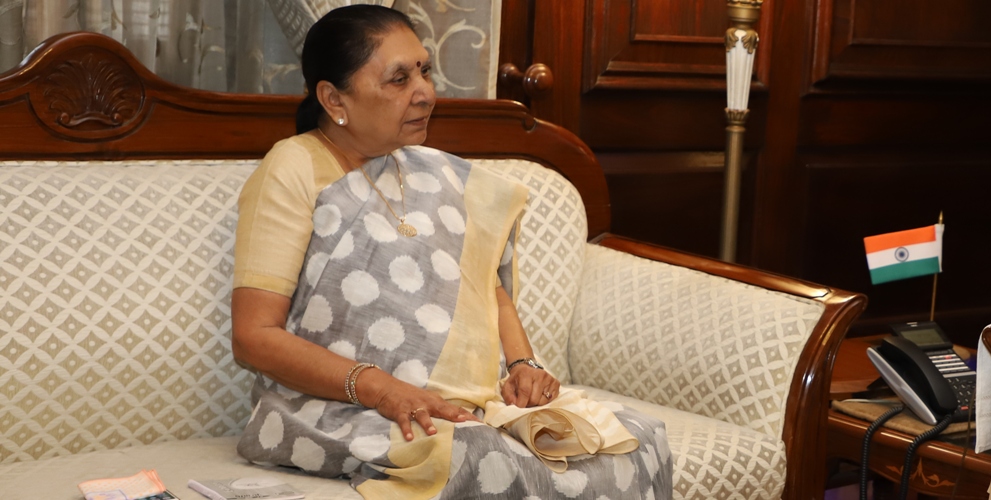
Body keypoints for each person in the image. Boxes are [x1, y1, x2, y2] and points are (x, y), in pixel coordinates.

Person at [229, 5, 671, 498]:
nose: (425, 93)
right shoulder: (291, 168)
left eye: (424, 70)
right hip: (337, 408)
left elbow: (484, 284)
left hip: (461, 404)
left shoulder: (429, 171)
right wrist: (382, 388)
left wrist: (524, 366)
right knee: (479, 457)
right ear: (334, 97)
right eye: (399, 79)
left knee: (632, 439)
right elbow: (254, 337)